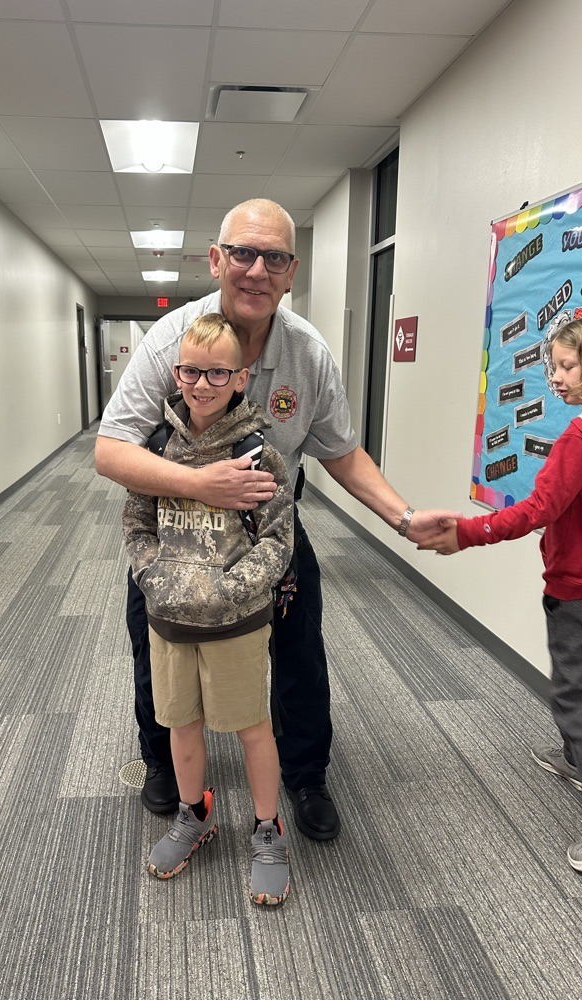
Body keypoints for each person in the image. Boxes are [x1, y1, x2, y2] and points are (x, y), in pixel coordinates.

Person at [96, 197, 459, 841]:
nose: (257, 270)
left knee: (299, 650)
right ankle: (162, 762)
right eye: (243, 253)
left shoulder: (307, 353)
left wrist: (403, 519)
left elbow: (341, 452)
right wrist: (201, 483)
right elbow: (110, 450)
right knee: (157, 646)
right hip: (177, 529)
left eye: (275, 258)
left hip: (267, 529)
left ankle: (306, 775)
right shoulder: (173, 341)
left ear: (291, 273)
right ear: (216, 260)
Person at [418, 313, 582, 873]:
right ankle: (577, 758)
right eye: (553, 366)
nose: (556, 377)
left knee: (577, 697)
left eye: (567, 366)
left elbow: (539, 508)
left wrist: (467, 532)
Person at [123, 313, 294, 905]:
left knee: (252, 728)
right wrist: (155, 579)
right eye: (192, 371)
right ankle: (194, 813)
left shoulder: (258, 454)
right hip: (169, 619)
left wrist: (232, 589)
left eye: (218, 373)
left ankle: (268, 829)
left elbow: (277, 540)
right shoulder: (156, 448)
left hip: (234, 623)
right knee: (181, 724)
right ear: (176, 373)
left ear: (241, 378)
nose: (202, 384)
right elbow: (137, 525)